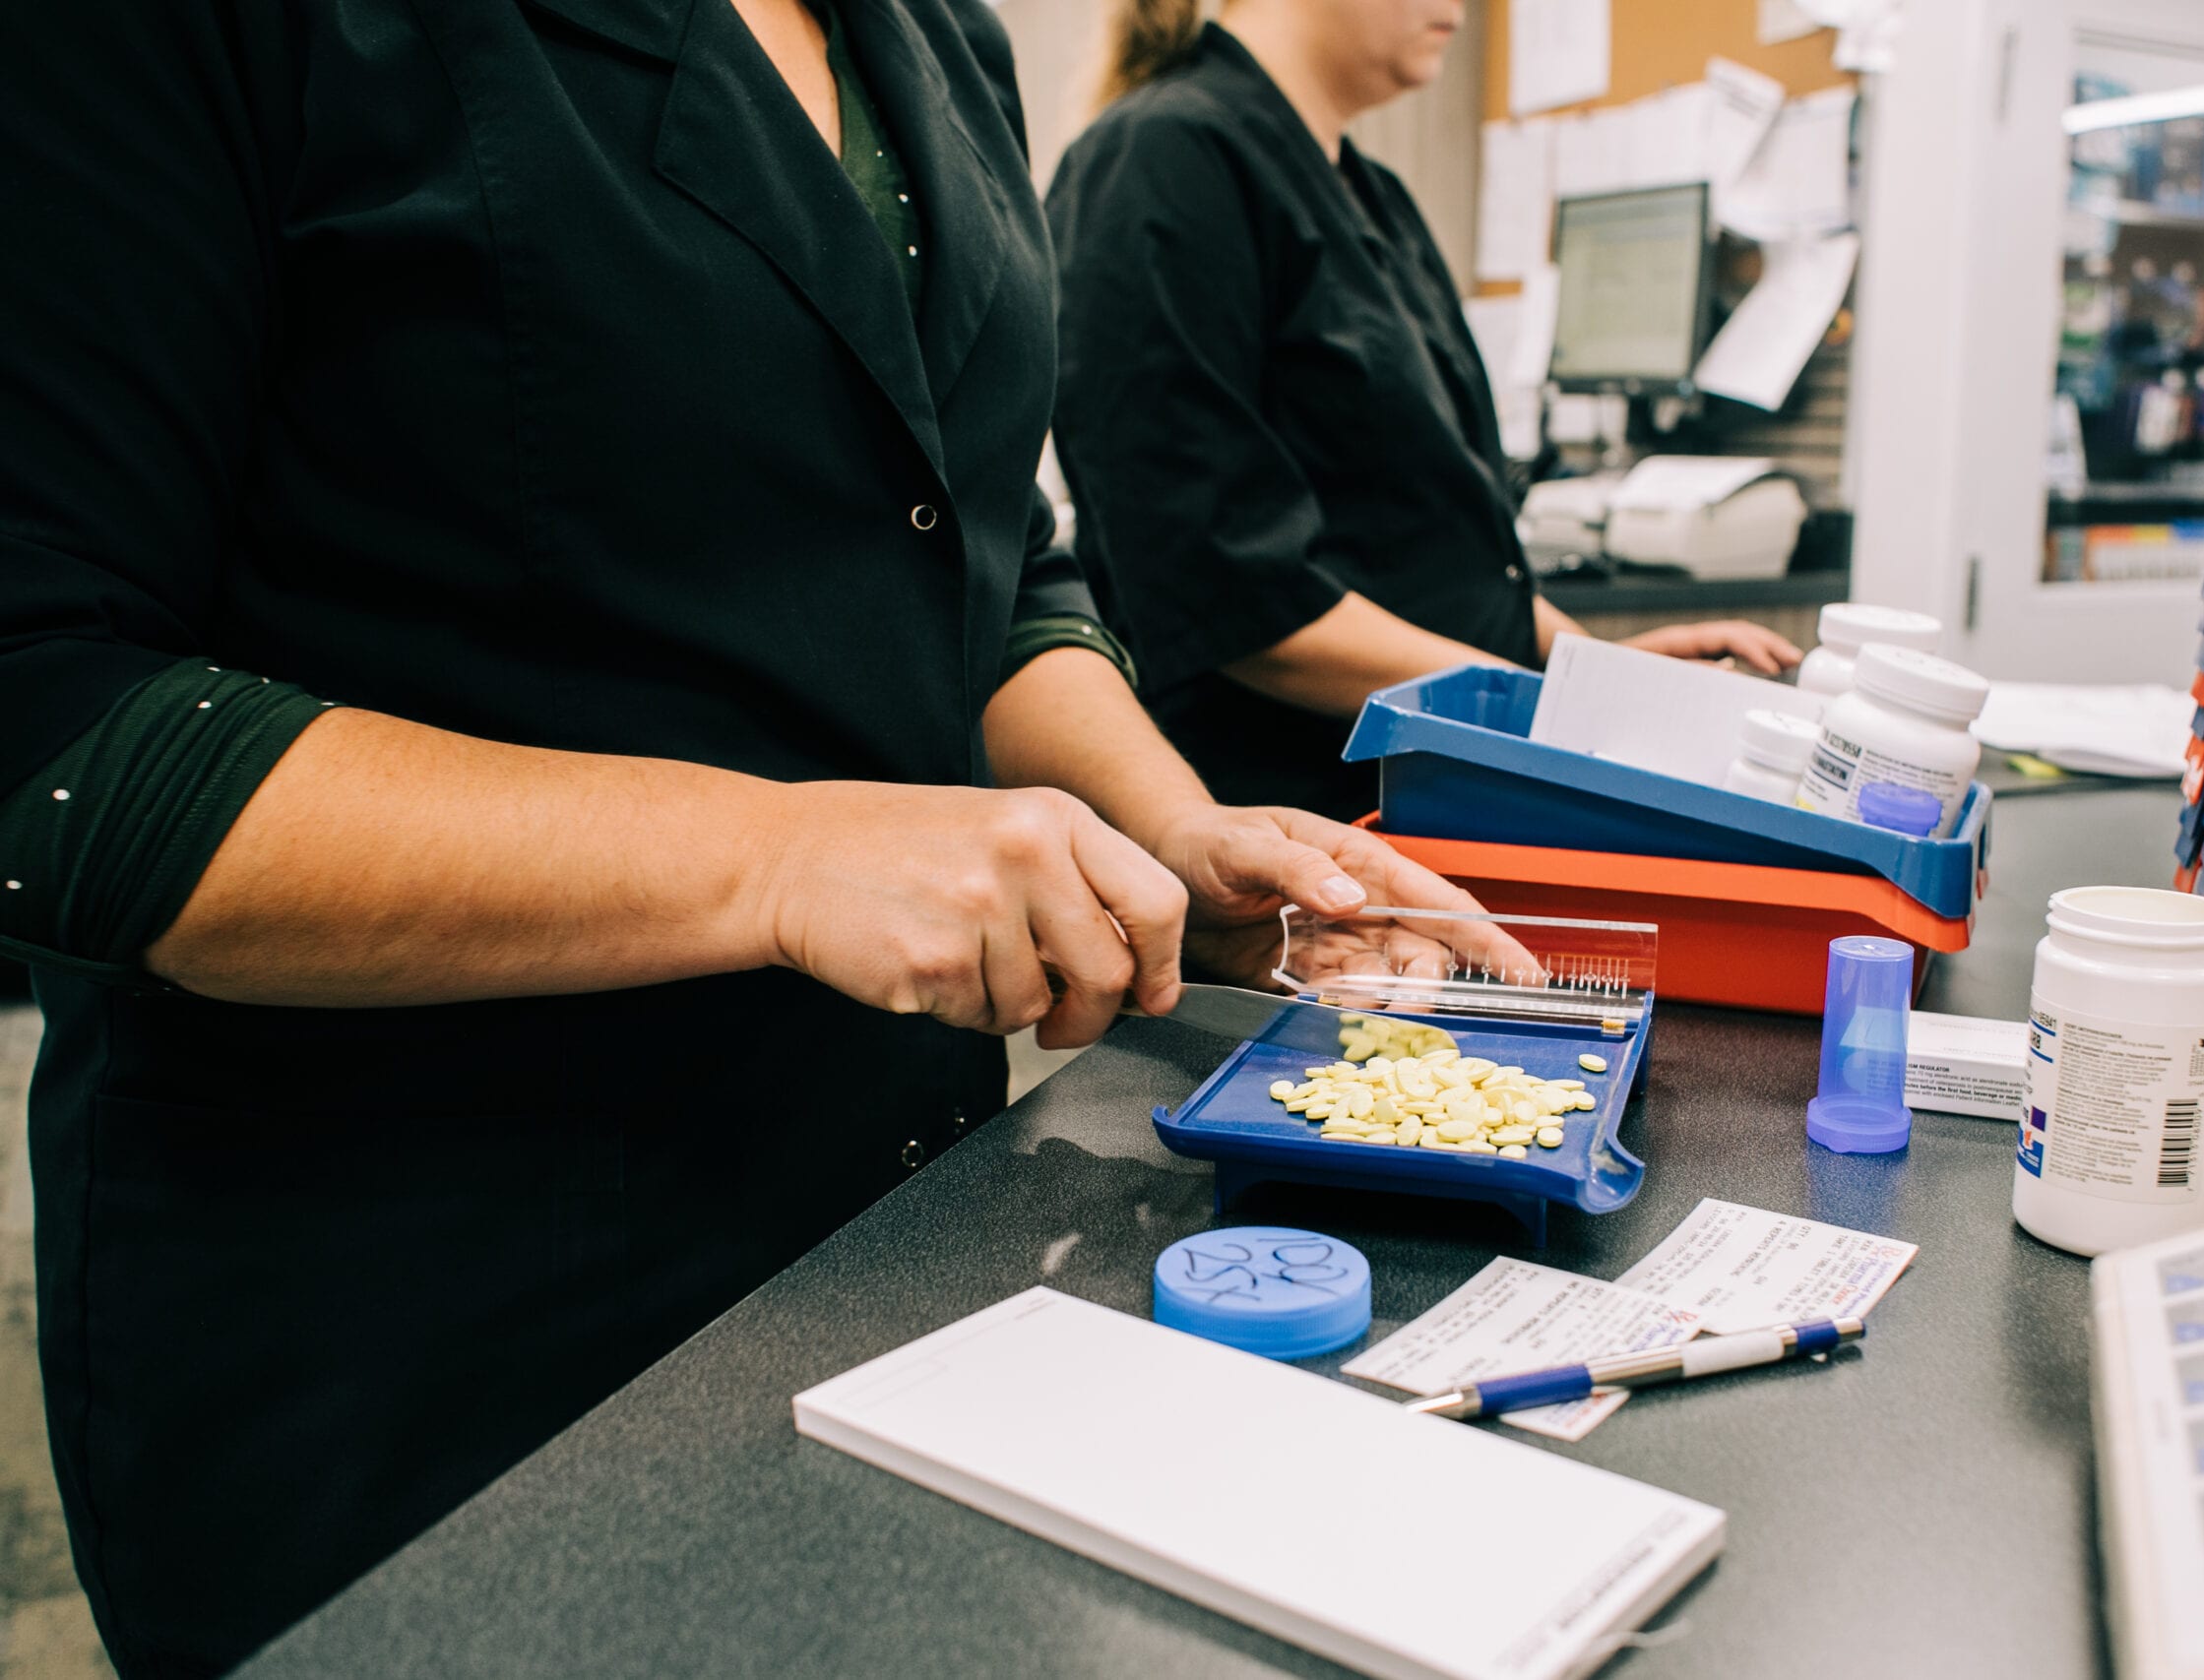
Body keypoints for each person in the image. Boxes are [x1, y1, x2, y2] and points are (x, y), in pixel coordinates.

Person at [0, 2, 1484, 1673]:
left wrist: (1163, 825)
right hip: (420, 1317)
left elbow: (988, 571)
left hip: (876, 1229)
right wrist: (773, 858)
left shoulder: (937, 43)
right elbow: (49, 719)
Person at [1046, 0, 1804, 818]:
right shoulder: (1162, 159)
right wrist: (1538, 708)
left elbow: (1432, 557)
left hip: (1428, 801)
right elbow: (1227, 599)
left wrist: (1600, 673)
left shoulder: (1369, 192)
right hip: (1286, 829)